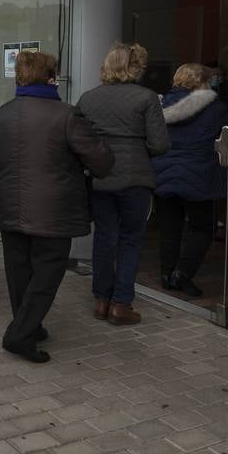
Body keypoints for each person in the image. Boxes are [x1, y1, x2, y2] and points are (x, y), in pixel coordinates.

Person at [0, 51, 112, 363]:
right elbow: (100, 160)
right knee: (46, 275)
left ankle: (28, 325)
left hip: (10, 205)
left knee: (19, 272)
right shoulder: (67, 115)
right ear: (50, 77)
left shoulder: (3, 113)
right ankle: (20, 336)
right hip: (53, 210)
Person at [76, 42, 170, 325]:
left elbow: (78, 140)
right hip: (135, 178)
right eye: (140, 66)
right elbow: (160, 144)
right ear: (135, 68)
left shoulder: (88, 98)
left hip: (100, 177)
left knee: (104, 237)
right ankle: (121, 304)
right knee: (131, 240)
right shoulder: (147, 98)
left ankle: (101, 300)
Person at [152, 64, 228, 298]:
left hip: (163, 172)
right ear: (202, 82)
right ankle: (182, 274)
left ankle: (167, 275)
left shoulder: (160, 104)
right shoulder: (215, 107)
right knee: (203, 227)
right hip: (198, 175)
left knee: (169, 229)